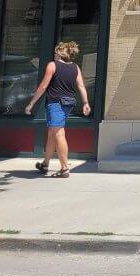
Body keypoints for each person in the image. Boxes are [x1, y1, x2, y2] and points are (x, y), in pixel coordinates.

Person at [25, 41, 91, 178]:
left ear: (59, 53)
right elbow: (81, 86)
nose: (54, 55)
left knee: (59, 133)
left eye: (55, 52)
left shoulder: (53, 65)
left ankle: (65, 168)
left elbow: (43, 86)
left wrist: (31, 103)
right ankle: (45, 163)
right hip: (68, 103)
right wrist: (85, 102)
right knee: (52, 133)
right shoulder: (75, 67)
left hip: (56, 104)